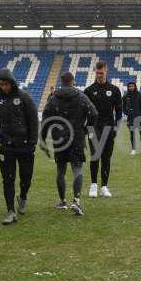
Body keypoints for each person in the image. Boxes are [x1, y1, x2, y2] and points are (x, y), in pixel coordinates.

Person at [40, 72, 97, 216]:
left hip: (59, 139)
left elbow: (45, 118)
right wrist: (85, 128)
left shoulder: (53, 98)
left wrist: (43, 136)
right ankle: (76, 201)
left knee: (61, 170)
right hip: (76, 137)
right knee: (77, 169)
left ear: (61, 81)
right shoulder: (81, 96)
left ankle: (62, 201)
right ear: (73, 81)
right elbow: (94, 114)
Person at [0, 69, 38, 225]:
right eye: (1, 84)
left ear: (12, 83)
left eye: (6, 84)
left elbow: (33, 120)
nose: (4, 87)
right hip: (6, 147)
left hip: (25, 147)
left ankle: (22, 196)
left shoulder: (24, 97)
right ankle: (10, 211)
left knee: (26, 177)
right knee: (7, 179)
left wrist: (32, 142)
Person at [84, 61, 122, 198]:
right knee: (95, 155)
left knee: (106, 158)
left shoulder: (114, 90)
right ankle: (93, 185)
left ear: (106, 71)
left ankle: (104, 187)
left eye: (102, 73)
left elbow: (119, 112)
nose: (99, 75)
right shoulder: (88, 91)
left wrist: (116, 128)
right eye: (97, 73)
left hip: (109, 128)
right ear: (95, 72)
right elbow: (84, 111)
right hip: (93, 128)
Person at [122, 82, 141, 155]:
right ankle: (133, 149)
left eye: (132, 86)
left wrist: (140, 113)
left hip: (139, 117)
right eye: (129, 86)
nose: (131, 87)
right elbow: (123, 107)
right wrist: (127, 113)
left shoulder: (140, 95)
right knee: (132, 134)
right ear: (128, 87)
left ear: (135, 86)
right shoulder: (125, 96)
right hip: (130, 118)